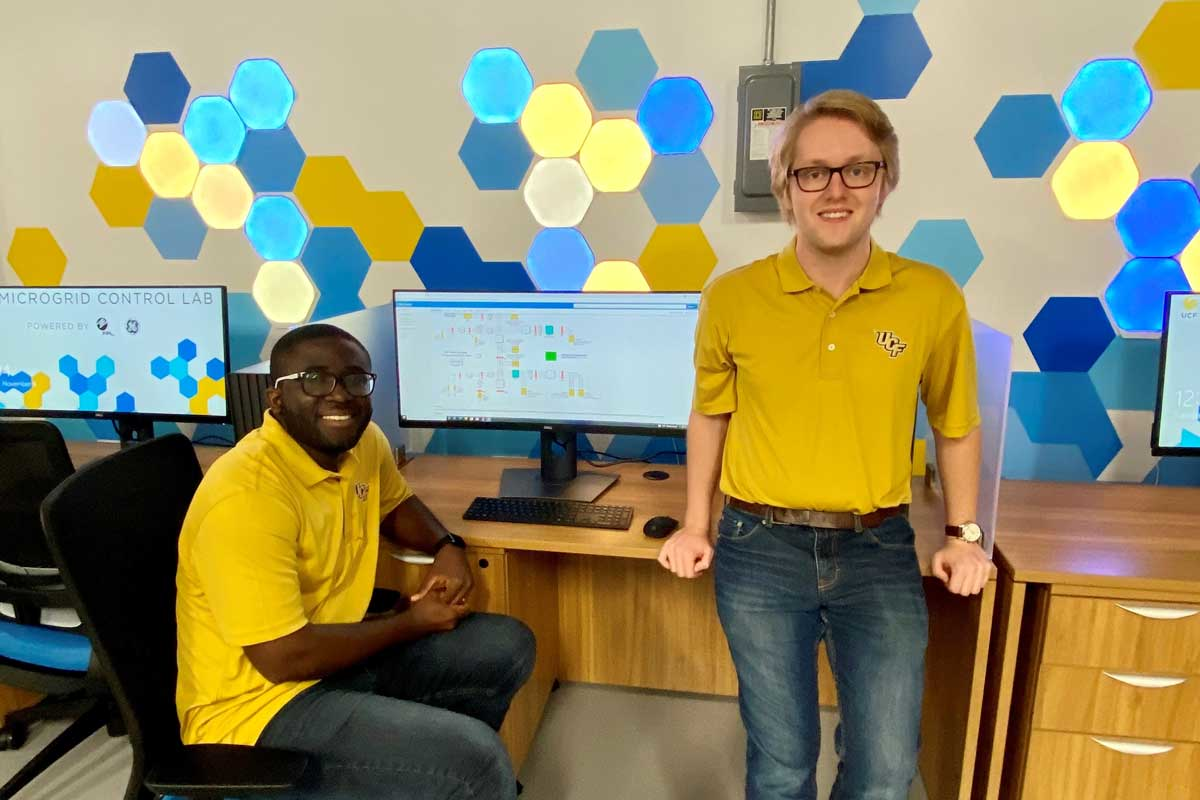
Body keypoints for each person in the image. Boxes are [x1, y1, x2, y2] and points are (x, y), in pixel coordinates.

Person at [657, 89, 992, 800]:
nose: (834, 189)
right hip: (758, 550)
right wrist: (695, 523)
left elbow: (956, 422)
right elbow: (710, 414)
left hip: (878, 551)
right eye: (813, 172)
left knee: (886, 770)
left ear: (884, 181)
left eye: (857, 169)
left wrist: (965, 535)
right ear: (786, 188)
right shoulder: (734, 297)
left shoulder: (931, 297)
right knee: (780, 763)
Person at [176, 323, 535, 799]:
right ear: (275, 399)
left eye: (354, 379)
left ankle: (428, 779)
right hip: (255, 710)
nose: (339, 395)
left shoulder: (361, 444)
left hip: (333, 660)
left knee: (506, 644)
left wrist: (448, 548)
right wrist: (410, 623)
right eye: (315, 379)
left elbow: (396, 505)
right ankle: (458, 776)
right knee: (476, 760)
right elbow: (283, 657)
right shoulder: (247, 495)